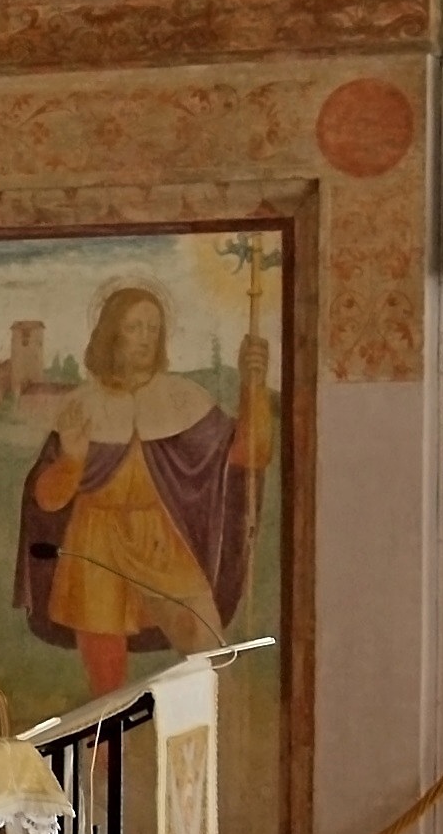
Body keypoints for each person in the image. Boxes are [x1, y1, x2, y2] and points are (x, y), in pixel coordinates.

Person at [16, 280, 271, 700]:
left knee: (205, 647)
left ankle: (210, 751)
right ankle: (102, 759)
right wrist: (73, 460)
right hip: (95, 539)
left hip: (162, 537)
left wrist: (252, 385)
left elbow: (251, 453)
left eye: (153, 328)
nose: (145, 339)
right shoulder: (82, 403)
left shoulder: (184, 398)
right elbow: (46, 498)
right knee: (106, 678)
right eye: (134, 327)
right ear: (111, 333)